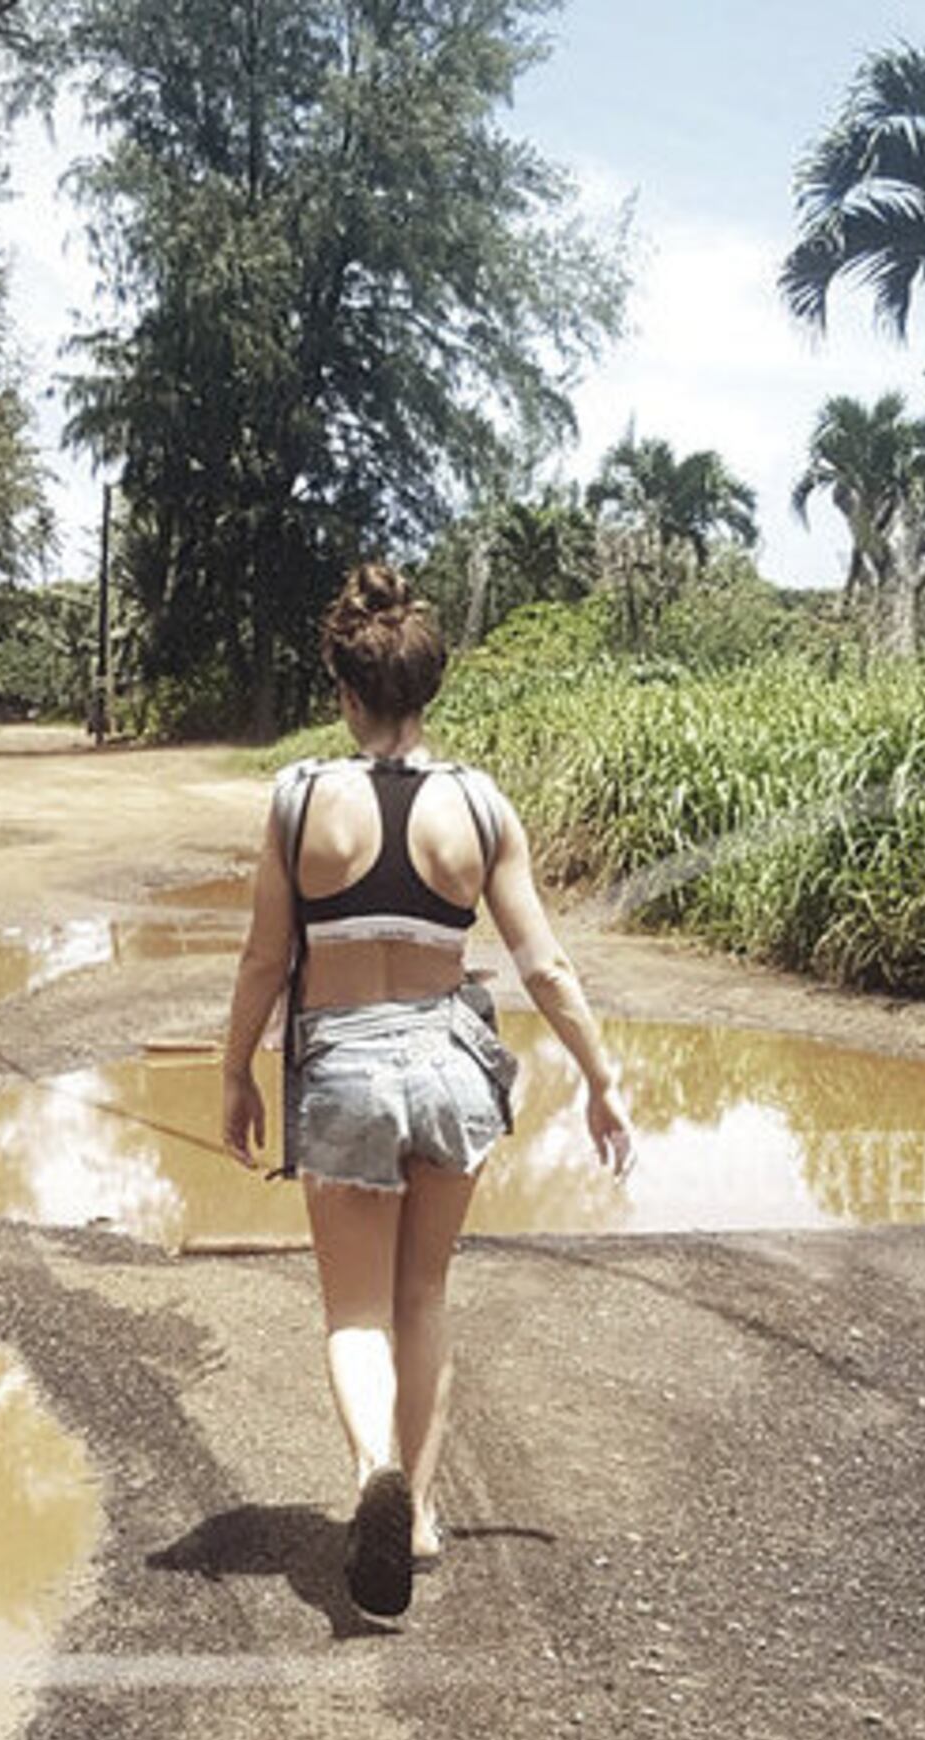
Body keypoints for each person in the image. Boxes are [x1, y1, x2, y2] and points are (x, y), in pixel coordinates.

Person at [218, 565, 635, 1619]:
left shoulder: (301, 799)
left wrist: (234, 1072)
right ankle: (416, 1517)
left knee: (355, 1309)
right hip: (452, 1066)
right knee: (425, 1296)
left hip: (345, 1069)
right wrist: (601, 1077)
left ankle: (372, 1473)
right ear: (427, 688)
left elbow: (267, 960)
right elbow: (542, 964)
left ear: (344, 687)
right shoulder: (482, 806)